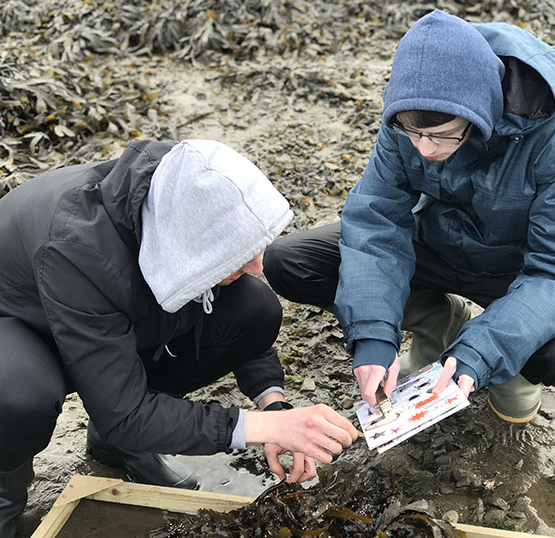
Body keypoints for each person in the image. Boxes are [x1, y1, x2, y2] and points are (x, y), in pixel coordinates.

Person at [0, 139, 359, 538]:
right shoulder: (78, 246)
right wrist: (254, 429)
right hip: (19, 320)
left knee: (255, 307)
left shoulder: (188, 191)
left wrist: (274, 409)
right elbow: (126, 411)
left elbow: (249, 327)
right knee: (18, 395)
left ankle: (116, 441)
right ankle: (5, 499)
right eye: (240, 252)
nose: (259, 264)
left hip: (101, 314)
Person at [263, 11, 555, 424]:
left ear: (481, 111)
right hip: (432, 247)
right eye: (411, 132)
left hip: (514, 272)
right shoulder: (408, 113)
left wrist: (483, 349)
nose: (423, 148)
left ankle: (512, 370)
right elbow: (376, 221)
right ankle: (440, 320)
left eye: (441, 135)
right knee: (289, 262)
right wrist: (372, 333)